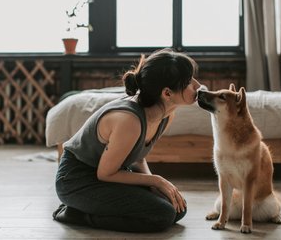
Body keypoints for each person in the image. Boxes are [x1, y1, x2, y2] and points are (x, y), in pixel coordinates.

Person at [52, 48, 202, 232]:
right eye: (188, 81)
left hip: (108, 175)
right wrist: (156, 181)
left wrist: (153, 184)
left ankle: (92, 208)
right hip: (77, 181)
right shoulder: (128, 121)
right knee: (162, 215)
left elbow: (138, 157)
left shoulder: (166, 115)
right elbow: (105, 174)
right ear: (167, 93)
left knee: (178, 209)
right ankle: (76, 214)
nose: (197, 85)